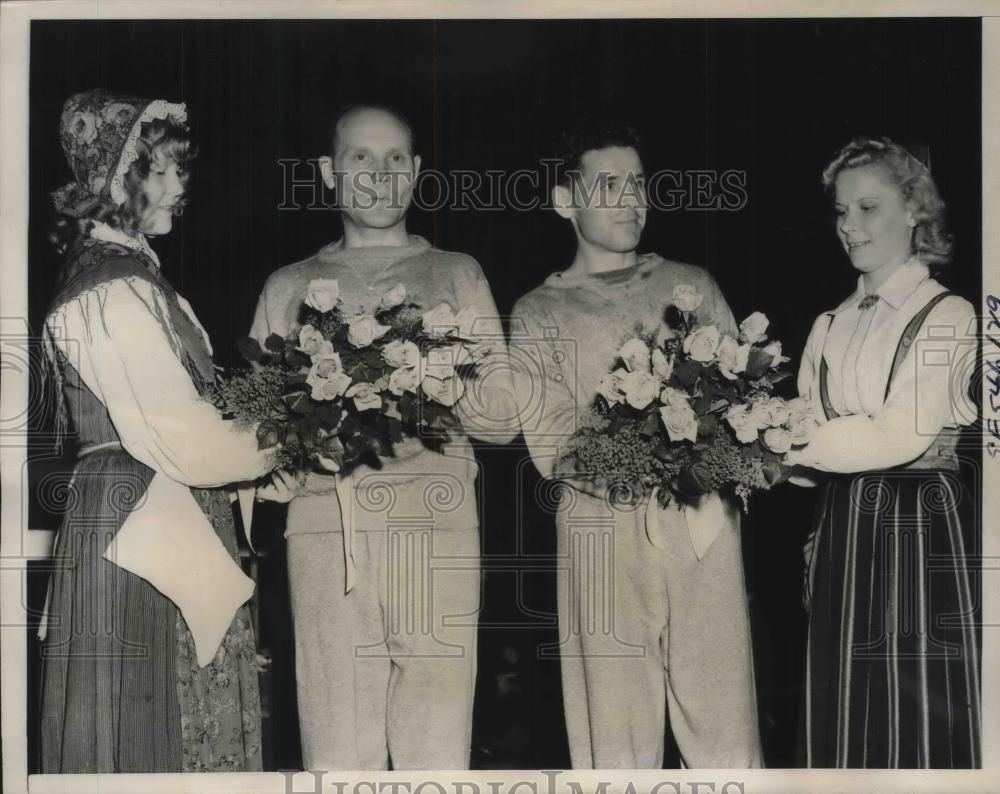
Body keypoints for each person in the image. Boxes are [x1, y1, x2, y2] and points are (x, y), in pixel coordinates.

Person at [250, 104, 519, 770]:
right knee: (338, 746)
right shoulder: (286, 287)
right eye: (361, 158)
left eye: (396, 158)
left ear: (418, 171)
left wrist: (436, 371)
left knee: (436, 744)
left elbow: (504, 415)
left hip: (435, 522)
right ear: (327, 173)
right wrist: (272, 467)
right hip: (326, 533)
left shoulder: (458, 271)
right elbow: (256, 425)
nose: (379, 174)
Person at [39, 89, 292, 773]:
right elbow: (180, 436)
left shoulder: (145, 284)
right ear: (118, 176)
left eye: (183, 169)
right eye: (163, 168)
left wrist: (263, 468)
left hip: (166, 507)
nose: (182, 184)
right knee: (148, 729)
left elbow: (198, 429)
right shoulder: (106, 290)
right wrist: (287, 435)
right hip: (136, 521)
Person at [509, 124, 763, 769]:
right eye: (609, 185)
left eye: (640, 185)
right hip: (601, 530)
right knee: (615, 741)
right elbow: (551, 444)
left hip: (699, 524)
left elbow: (742, 410)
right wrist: (647, 429)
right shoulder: (537, 311)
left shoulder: (691, 285)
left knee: (725, 727)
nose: (632, 200)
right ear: (565, 202)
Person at [788, 136, 980, 768]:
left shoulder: (948, 314)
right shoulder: (828, 323)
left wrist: (787, 440)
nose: (849, 226)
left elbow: (900, 433)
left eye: (867, 208)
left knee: (913, 702)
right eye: (841, 212)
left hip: (916, 529)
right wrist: (763, 448)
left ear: (915, 212)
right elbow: (808, 444)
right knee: (845, 700)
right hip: (844, 527)